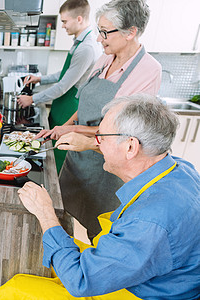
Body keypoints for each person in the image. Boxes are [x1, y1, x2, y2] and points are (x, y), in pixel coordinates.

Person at [0, 94, 200, 299]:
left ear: (130, 147)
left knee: (14, 289)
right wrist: (90, 145)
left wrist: (46, 214)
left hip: (141, 293)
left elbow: (80, 280)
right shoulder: (180, 168)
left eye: (100, 137)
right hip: (149, 271)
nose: (97, 142)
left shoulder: (149, 221)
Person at [35, 0, 161, 239]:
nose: (99, 38)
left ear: (130, 32)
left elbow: (121, 131)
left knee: (100, 231)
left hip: (107, 165)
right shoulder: (105, 58)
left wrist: (73, 131)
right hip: (79, 158)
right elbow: (83, 99)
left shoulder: (148, 70)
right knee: (64, 215)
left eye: (105, 32)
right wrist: (65, 125)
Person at [17, 0, 102, 173]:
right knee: (53, 148)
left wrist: (32, 99)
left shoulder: (86, 48)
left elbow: (63, 85)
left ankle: (55, 193)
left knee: (59, 151)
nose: (62, 26)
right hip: (62, 104)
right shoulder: (78, 43)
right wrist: (39, 78)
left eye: (64, 21)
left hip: (70, 106)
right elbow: (63, 74)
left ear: (79, 19)